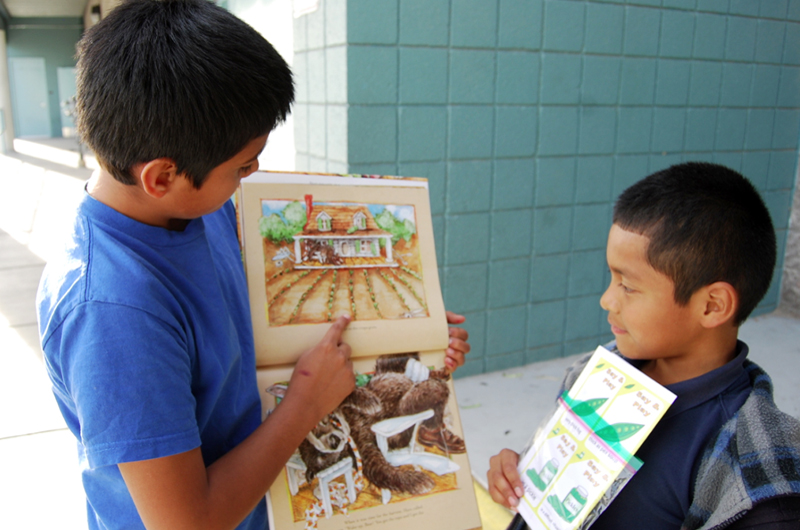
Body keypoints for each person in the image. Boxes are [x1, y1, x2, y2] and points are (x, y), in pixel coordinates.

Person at [35, 2, 470, 529]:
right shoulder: (112, 313)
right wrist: (304, 407)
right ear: (161, 176)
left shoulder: (198, 209)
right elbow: (186, 521)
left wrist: (406, 339)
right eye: (242, 166)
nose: (256, 174)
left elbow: (262, 320)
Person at [488, 162, 800, 529]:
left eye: (628, 286)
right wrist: (518, 473)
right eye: (611, 277)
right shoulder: (594, 375)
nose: (607, 300)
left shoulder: (754, 467)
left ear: (712, 305)